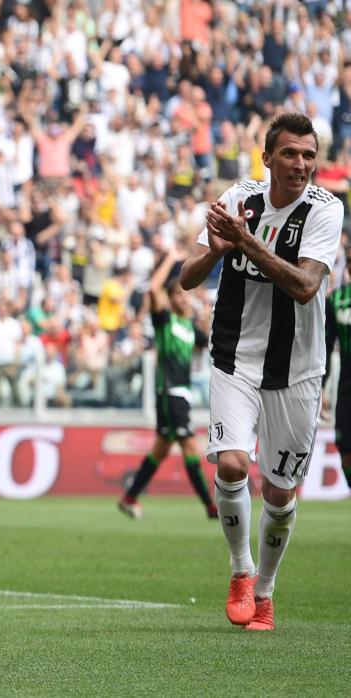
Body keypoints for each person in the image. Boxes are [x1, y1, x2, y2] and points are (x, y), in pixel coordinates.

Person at [178, 113, 343, 632]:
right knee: (230, 466)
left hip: (297, 368)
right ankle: (242, 573)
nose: (300, 164)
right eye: (290, 154)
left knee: (279, 492)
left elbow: (304, 286)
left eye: (309, 156)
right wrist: (217, 251)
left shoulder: (325, 210)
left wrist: (245, 244)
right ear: (267, 157)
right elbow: (187, 278)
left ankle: (267, 592)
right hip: (234, 358)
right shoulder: (238, 200)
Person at [118, 249, 216, 520]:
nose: (184, 299)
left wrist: (205, 315)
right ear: (171, 299)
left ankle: (129, 497)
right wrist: (171, 259)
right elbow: (153, 288)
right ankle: (210, 505)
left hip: (182, 392)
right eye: (179, 294)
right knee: (189, 446)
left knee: (161, 449)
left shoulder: (190, 327)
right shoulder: (165, 321)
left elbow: (208, 341)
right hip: (168, 391)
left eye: (186, 294)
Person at [322, 266, 351, 497]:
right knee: (345, 449)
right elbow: (325, 345)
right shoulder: (336, 300)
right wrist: (321, 389)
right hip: (346, 387)